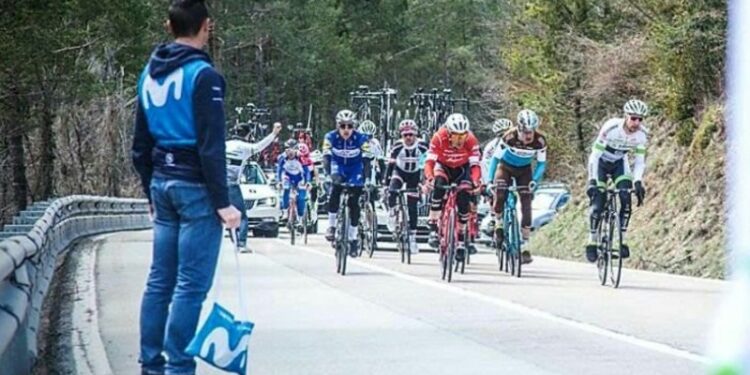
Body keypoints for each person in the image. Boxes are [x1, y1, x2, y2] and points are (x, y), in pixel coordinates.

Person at [131, 1, 240, 374]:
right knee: (190, 287)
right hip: (195, 188)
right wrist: (223, 203)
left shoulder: (149, 73)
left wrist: (150, 191)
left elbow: (139, 145)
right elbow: (212, 146)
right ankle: (179, 367)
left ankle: (151, 364)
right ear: (206, 26)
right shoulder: (202, 76)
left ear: (169, 25)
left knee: (160, 281)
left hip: (162, 183)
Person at [585, 99, 649, 262]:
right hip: (601, 163)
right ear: (626, 116)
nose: (637, 123)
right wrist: (592, 180)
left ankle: (622, 241)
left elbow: (640, 161)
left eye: (640, 119)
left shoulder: (642, 134)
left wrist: (638, 182)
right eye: (633, 118)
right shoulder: (611, 127)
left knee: (626, 200)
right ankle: (592, 242)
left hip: (620, 164)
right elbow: (595, 155)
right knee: (598, 204)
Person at [487, 109, 547, 265]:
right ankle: (499, 222)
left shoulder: (540, 141)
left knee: (526, 204)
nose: (529, 136)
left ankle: (525, 245)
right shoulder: (509, 136)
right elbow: (494, 160)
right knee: (500, 193)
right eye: (526, 132)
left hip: (524, 171)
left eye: (532, 131)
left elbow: (541, 164)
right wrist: (489, 181)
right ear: (519, 129)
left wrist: (534, 180)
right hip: (505, 167)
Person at [424, 113, 482, 262]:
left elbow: (475, 166)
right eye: (456, 136)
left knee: (464, 199)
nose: (459, 140)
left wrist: (475, 181)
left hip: (462, 169)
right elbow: (429, 162)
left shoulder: (471, 140)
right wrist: (430, 178)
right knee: (439, 186)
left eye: (462, 136)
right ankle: (433, 226)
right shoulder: (438, 137)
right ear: (448, 133)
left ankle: (462, 239)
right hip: (443, 167)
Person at [226, 122, 282, 252]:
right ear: (248, 135)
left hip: (216, 183)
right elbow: (260, 146)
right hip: (232, 185)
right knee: (242, 216)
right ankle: (241, 244)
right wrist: (274, 133)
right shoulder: (245, 147)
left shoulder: (225, 145)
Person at [323, 109, 372, 257]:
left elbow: (366, 160)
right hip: (338, 166)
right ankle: (331, 226)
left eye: (349, 126)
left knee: (354, 201)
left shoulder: (361, 138)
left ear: (354, 126)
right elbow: (326, 157)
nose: (346, 130)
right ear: (338, 126)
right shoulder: (330, 137)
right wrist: (327, 174)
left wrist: (367, 179)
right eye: (342, 126)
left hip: (355, 168)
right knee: (335, 189)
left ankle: (352, 237)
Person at [385, 119, 429, 254]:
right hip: (400, 172)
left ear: (416, 135)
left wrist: (424, 183)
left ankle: (412, 238)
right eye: (405, 135)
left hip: (415, 175)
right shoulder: (397, 146)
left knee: (412, 206)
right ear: (401, 136)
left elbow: (426, 166)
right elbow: (390, 166)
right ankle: (392, 213)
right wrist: (385, 184)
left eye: (411, 135)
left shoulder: (422, 146)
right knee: (392, 191)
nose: (408, 138)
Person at [277, 139, 310, 226]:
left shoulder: (301, 158)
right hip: (288, 177)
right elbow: (279, 170)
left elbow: (306, 171)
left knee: (301, 198)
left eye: (292, 150)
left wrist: (308, 182)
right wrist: (279, 181)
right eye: (287, 150)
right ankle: (285, 212)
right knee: (285, 189)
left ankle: (300, 217)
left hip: (299, 178)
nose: (290, 153)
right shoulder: (282, 158)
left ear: (296, 150)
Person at [358, 119, 385, 186]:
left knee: (381, 162)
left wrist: (380, 161)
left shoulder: (375, 142)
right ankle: (366, 179)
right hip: (360, 163)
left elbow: (380, 156)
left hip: (372, 163)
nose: (368, 139)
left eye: (370, 136)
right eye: (365, 136)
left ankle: (383, 179)